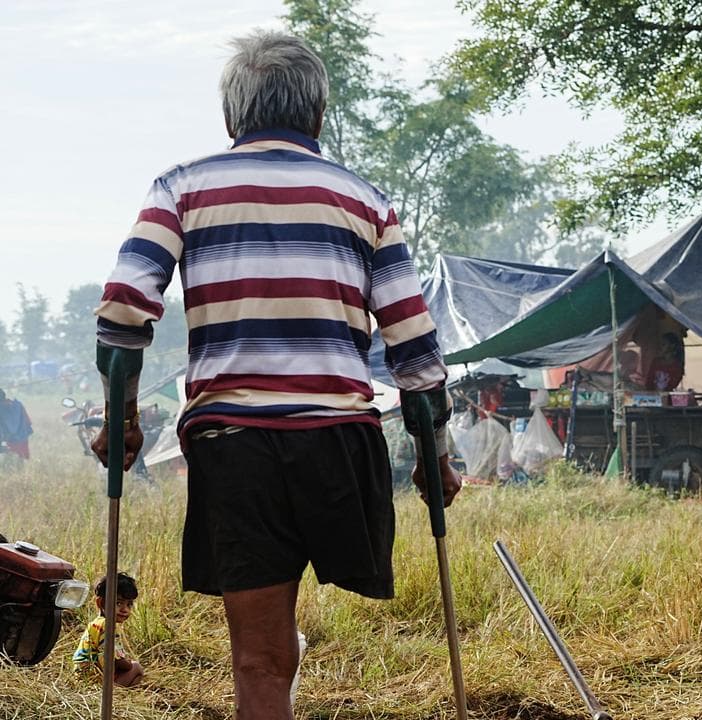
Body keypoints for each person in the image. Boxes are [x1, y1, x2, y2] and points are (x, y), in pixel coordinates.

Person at [91, 31, 460, 719]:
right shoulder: (367, 201)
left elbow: (123, 311)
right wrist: (437, 456)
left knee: (257, 657)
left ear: (232, 119)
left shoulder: (181, 188)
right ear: (317, 116)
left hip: (235, 446)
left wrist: (123, 420)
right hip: (341, 447)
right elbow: (414, 345)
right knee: (274, 649)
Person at [73, 573, 144, 687]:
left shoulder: (96, 623)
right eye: (118, 603)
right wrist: (129, 664)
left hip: (83, 679)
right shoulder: (108, 625)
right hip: (96, 680)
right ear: (100, 603)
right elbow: (117, 661)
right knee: (136, 668)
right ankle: (117, 694)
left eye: (129, 604)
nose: (124, 609)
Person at [0, 390, 33, 460]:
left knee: (12, 461)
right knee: (20, 460)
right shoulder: (18, 405)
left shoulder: (2, 408)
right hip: (22, 438)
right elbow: (28, 422)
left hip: (10, 441)